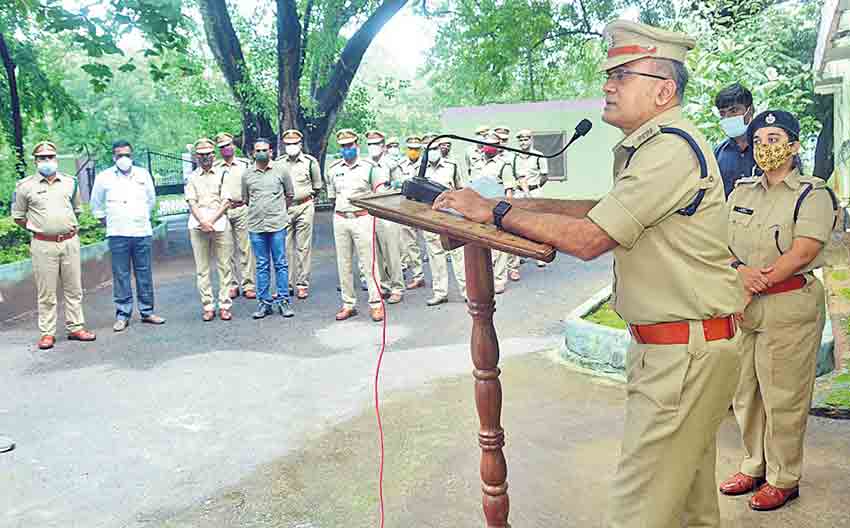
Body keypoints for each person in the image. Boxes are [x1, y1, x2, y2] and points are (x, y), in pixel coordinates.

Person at [433, 20, 743, 528]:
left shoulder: (667, 147)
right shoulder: (656, 146)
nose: (608, 84)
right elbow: (602, 209)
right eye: (610, 74)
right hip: (686, 348)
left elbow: (591, 238)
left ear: (664, 89)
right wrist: (510, 202)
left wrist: (494, 213)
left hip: (682, 356)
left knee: (636, 512)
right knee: (689, 508)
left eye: (622, 74)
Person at [719, 110, 835, 511]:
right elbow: (720, 242)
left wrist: (757, 281)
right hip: (745, 304)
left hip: (789, 307)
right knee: (745, 393)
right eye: (761, 139)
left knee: (783, 397)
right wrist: (741, 274)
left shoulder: (812, 193)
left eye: (775, 139)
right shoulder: (741, 191)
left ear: (794, 146)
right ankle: (754, 465)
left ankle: (784, 477)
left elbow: (805, 249)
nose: (767, 147)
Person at [12, 141, 97, 350]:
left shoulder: (70, 182)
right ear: (36, 161)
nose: (47, 161)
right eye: (42, 158)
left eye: (50, 157)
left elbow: (77, 210)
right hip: (43, 245)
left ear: (56, 159)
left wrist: (63, 227)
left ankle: (76, 327)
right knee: (46, 292)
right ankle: (47, 333)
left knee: (74, 288)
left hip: (69, 242)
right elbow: (18, 217)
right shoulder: (25, 187)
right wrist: (40, 229)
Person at [90, 140, 166, 332]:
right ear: (113, 157)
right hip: (117, 234)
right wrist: (112, 223)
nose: (123, 159)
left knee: (144, 273)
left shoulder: (143, 175)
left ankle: (147, 311)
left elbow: (151, 200)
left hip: (141, 232)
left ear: (132, 156)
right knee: (121, 275)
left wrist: (139, 217)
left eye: (127, 155)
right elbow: (96, 207)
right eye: (119, 155)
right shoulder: (103, 178)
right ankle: (123, 314)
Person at [327, 129, 386, 321]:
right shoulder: (333, 169)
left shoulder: (370, 168)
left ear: (357, 145)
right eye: (343, 146)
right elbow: (332, 197)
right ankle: (348, 304)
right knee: (343, 263)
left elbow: (379, 195)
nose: (347, 149)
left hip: (362, 218)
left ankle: (376, 303)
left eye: (350, 145)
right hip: (341, 218)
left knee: (369, 263)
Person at [242, 137, 296, 319]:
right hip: (256, 226)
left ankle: (283, 300)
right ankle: (264, 303)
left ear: (271, 151)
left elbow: (289, 195)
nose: (261, 153)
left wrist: (279, 212)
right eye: (258, 150)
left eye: (264, 150)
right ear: (252, 153)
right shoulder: (247, 174)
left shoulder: (281, 171)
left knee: (281, 263)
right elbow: (246, 199)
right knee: (262, 265)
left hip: (277, 225)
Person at [186, 138, 235, 321]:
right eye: (201, 155)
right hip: (198, 225)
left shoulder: (223, 174)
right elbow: (191, 201)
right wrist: (203, 221)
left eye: (208, 154)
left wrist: (212, 220)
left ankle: (224, 304)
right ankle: (208, 305)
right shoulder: (192, 177)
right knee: (202, 268)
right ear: (196, 157)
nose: (205, 158)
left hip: (220, 223)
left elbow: (226, 201)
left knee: (224, 265)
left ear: (213, 155)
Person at [276, 129, 323, 300]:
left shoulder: (310, 162)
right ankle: (286, 284)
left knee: (303, 247)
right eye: (288, 144)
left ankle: (302, 284)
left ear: (300, 145)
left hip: (305, 206)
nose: (291, 147)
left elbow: (317, 186)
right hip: (285, 208)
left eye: (294, 143)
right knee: (284, 247)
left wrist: (306, 199)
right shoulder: (278, 163)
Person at [421, 134, 467, 305]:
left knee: (458, 254)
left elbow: (461, 189)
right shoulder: (420, 169)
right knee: (435, 255)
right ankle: (440, 293)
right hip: (429, 217)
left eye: (434, 148)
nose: (432, 152)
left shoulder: (452, 166)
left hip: (451, 216)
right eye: (428, 149)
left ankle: (467, 292)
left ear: (440, 148)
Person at [214, 132, 256, 300]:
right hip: (223, 211)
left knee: (245, 248)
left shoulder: (245, 164)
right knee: (226, 249)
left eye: (229, 145)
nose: (226, 149)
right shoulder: (215, 168)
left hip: (242, 208)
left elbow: (253, 185)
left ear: (234, 145)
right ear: (219, 150)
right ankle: (231, 284)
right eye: (222, 147)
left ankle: (248, 284)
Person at [366, 130, 405, 303]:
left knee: (392, 252)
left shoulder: (391, 164)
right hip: (369, 213)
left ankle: (397, 287)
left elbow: (401, 187)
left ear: (383, 146)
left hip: (388, 212)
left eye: (376, 144)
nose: (372, 147)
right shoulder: (364, 164)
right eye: (369, 144)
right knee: (377, 253)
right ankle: (384, 285)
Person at [475, 131, 515, 294]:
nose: (490, 148)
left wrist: (506, 212)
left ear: (499, 147)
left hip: (496, 207)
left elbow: (509, 190)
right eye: (487, 144)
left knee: (498, 246)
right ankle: (487, 278)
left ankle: (499, 279)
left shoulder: (503, 164)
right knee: (483, 244)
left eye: (494, 145)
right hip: (479, 207)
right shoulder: (477, 163)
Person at [513, 129, 550, 268]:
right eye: (521, 140)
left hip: (534, 192)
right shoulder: (514, 156)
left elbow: (544, 175)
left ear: (531, 140)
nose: (523, 142)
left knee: (536, 224)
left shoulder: (538, 156)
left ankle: (539, 255)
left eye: (526, 139)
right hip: (519, 193)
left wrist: (535, 187)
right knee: (516, 224)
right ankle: (519, 255)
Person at [714, 83, 758, 197]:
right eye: (722, 113)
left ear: (750, 110)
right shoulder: (718, 153)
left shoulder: (768, 148)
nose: (727, 117)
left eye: (733, 111)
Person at [396, 135, 427, 290]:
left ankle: (441, 282)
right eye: (411, 149)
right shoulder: (400, 165)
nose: (413, 151)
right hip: (407, 207)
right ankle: (418, 275)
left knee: (432, 244)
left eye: (416, 149)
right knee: (410, 244)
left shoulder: (426, 164)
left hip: (425, 208)